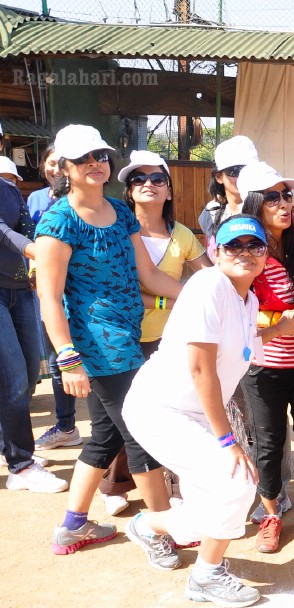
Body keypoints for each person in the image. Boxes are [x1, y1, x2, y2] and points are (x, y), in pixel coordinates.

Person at [122, 215, 294, 606]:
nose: (245, 253)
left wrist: (283, 327)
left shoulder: (248, 299)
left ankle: (148, 525)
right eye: (233, 246)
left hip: (191, 413)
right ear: (215, 251)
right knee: (238, 482)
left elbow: (242, 343)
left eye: (254, 246)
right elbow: (200, 367)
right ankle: (206, 576)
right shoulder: (208, 286)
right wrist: (228, 440)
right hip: (161, 408)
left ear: (265, 254)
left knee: (213, 506)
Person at [34, 124, 183, 554]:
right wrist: (67, 358)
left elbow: (149, 275)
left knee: (104, 436)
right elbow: (50, 297)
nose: (95, 164)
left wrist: (205, 291)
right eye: (82, 159)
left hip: (127, 337)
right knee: (142, 433)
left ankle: (72, 526)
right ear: (64, 167)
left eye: (99, 156)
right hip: (98, 345)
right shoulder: (58, 221)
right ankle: (160, 531)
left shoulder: (120, 212)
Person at [98, 150, 211, 516]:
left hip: (168, 340)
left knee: (172, 410)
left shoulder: (181, 233)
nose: (148, 184)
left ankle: (176, 482)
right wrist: (168, 303)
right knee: (124, 415)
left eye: (157, 179)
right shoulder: (116, 229)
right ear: (128, 190)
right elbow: (119, 288)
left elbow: (207, 275)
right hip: (123, 336)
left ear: (169, 190)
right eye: (138, 179)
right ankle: (114, 484)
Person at [237, 161, 294, 557]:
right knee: (270, 442)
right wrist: (284, 322)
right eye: (272, 197)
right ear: (255, 204)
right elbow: (240, 314)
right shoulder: (241, 248)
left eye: (287, 195)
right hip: (263, 365)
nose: (283, 203)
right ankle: (272, 512)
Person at [1, 150, 65, 493]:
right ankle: (21, 464)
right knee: (11, 376)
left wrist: (43, 250)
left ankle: (9, 444)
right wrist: (36, 251)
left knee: (27, 373)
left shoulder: (10, 190)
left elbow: (27, 225)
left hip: (19, 288)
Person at [29, 146, 82, 452]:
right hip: (46, 289)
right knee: (56, 359)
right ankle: (66, 424)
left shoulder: (87, 203)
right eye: (50, 163)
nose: (55, 169)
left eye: (60, 164)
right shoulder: (36, 199)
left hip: (77, 291)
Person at [198, 135, 259, 254]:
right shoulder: (211, 212)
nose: (242, 176)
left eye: (248, 169)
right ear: (219, 177)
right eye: (234, 171)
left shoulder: (268, 208)